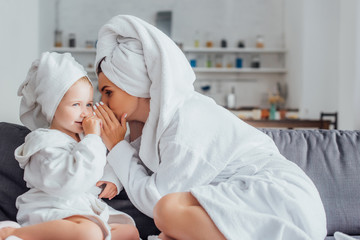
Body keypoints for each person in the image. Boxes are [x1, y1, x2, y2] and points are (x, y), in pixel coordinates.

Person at [93, 15, 327, 240]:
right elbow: (138, 162)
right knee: (170, 215)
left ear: (134, 85)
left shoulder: (186, 121)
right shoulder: (159, 123)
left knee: (166, 209)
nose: (103, 103)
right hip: (248, 196)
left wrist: (116, 146)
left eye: (108, 92)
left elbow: (156, 199)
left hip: (280, 201)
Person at [0, 52, 139, 240]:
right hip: (52, 210)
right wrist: (92, 138)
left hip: (80, 209)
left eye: (89, 104)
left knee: (129, 232)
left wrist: (113, 179)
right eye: (75, 104)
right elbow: (71, 180)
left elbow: (105, 162)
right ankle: (14, 232)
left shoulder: (83, 137)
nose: (84, 113)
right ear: (52, 107)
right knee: (88, 233)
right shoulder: (43, 142)